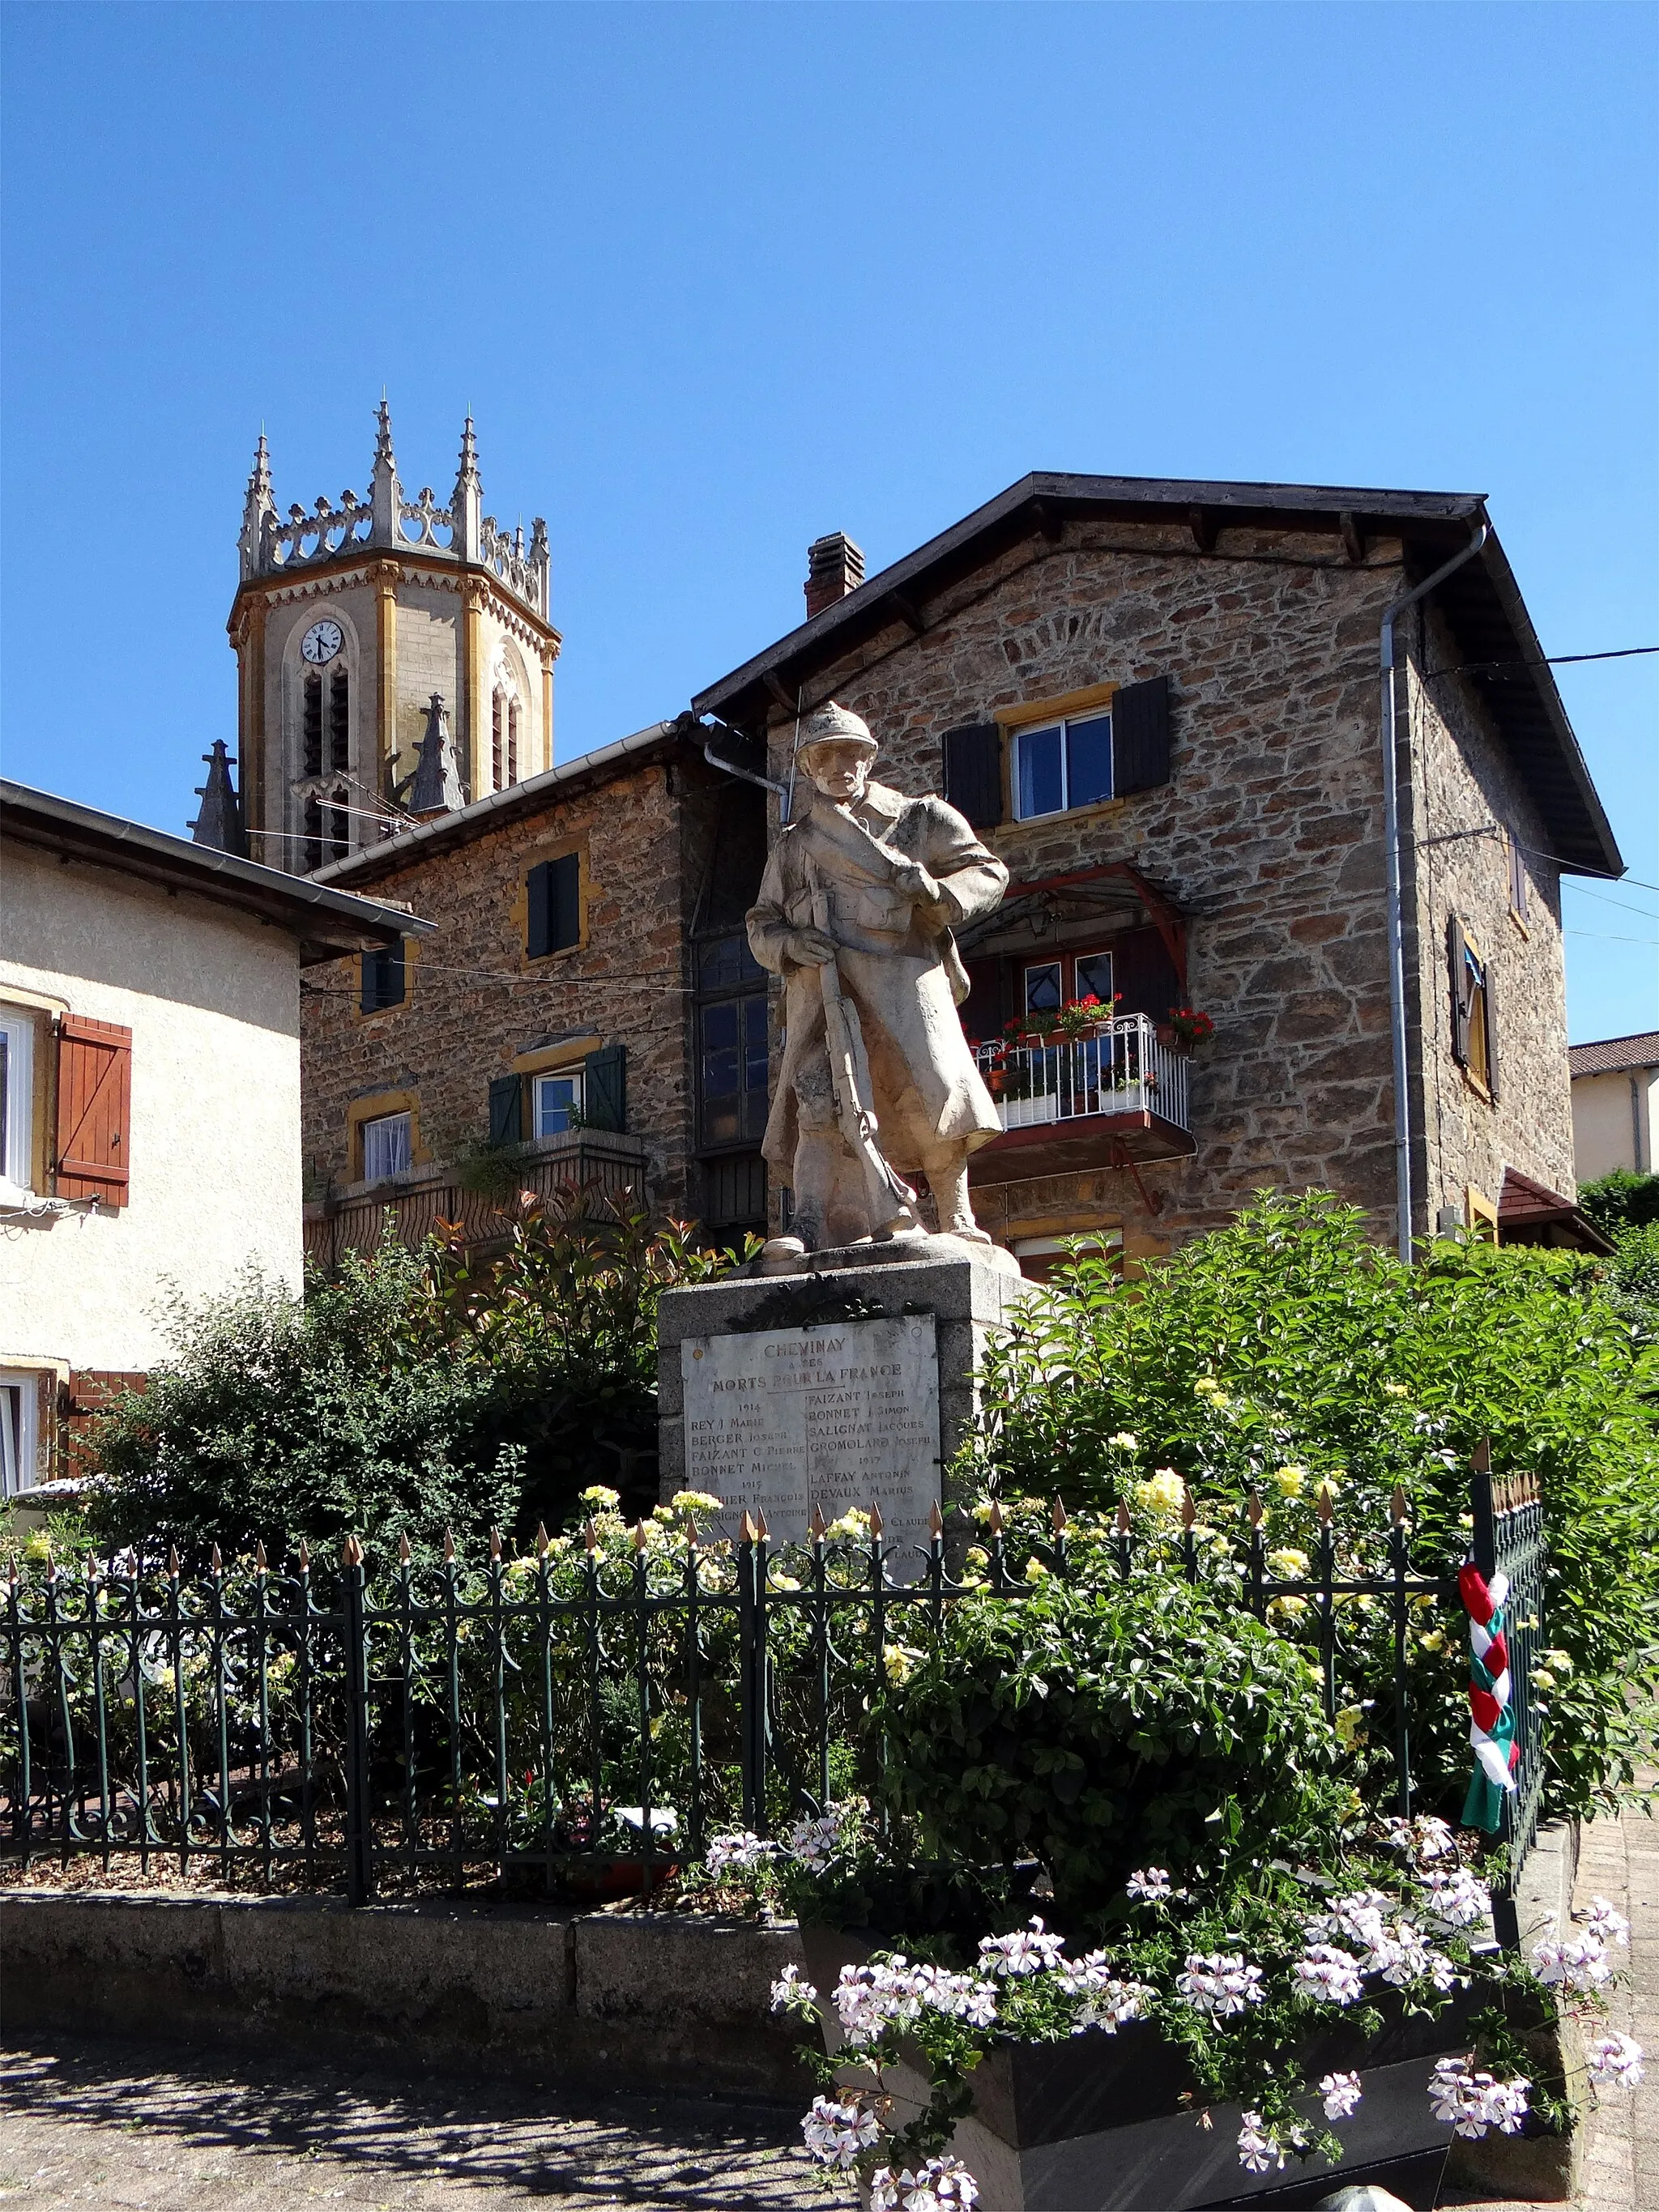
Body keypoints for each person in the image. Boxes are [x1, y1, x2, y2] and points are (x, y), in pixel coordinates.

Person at [745, 701, 1009, 1254]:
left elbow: (989, 871)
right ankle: (808, 1224)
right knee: (817, 1099)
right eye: (824, 755)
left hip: (905, 982)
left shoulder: (919, 818)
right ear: (808, 767)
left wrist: (937, 891)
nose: (838, 764)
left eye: (850, 753)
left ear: (868, 759)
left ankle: (956, 1215)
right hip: (823, 991)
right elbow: (761, 923)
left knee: (930, 1092)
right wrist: (791, 942)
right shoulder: (795, 843)